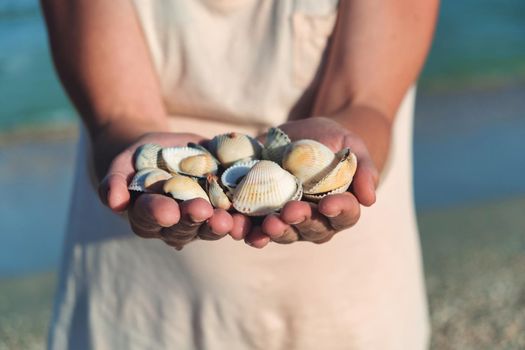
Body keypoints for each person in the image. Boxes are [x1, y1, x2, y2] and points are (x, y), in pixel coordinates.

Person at [42, 0, 438, 348]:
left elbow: (363, 101)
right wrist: (134, 148)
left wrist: (341, 155)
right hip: (139, 308)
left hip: (349, 304)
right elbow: (119, 114)